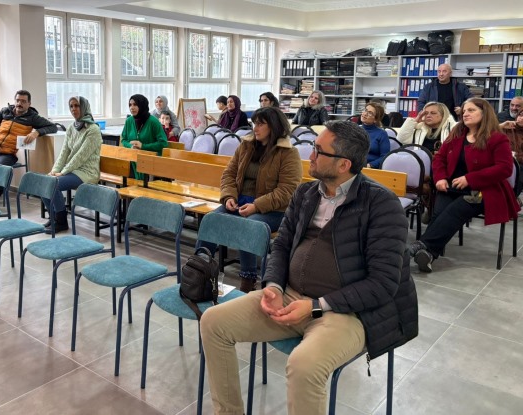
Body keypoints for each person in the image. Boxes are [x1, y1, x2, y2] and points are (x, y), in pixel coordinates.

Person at [200, 121, 418, 415]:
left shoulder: (381, 204)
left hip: (344, 313)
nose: (310, 156)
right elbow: (281, 246)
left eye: (318, 150)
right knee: (213, 322)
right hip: (290, 297)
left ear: (343, 164)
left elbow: (383, 284)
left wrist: (315, 306)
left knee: (303, 365)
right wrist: (273, 286)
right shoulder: (306, 193)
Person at [198, 106, 302, 293]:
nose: (255, 128)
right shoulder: (246, 145)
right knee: (211, 220)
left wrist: (256, 205)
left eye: (261, 124)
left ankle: (248, 279)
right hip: (240, 201)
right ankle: (199, 270)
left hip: (273, 209)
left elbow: (287, 190)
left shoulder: (288, 152)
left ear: (274, 126)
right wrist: (229, 196)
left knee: (249, 226)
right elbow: (229, 174)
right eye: (254, 123)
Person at [409, 98, 520, 273]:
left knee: (457, 209)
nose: (465, 114)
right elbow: (440, 158)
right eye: (464, 111)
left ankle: (421, 245)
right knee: (439, 212)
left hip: (483, 190)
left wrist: (470, 178)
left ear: (484, 113)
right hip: (452, 186)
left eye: (471, 110)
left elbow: (504, 168)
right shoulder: (457, 133)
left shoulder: (497, 138)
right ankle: (428, 254)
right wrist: (440, 178)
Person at [0, 90, 57, 205]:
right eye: (17, 100)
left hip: (7, 153)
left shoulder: (32, 117)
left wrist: (36, 132)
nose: (19, 103)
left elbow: (53, 127)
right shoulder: (5, 112)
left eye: (23, 101)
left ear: (29, 104)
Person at [43, 96, 102, 234]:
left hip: (87, 172)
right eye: (71, 106)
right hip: (72, 170)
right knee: (45, 181)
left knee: (53, 185)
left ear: (84, 107)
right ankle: (54, 218)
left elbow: (80, 156)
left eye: (77, 106)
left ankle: (61, 222)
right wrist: (54, 171)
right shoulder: (71, 128)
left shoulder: (93, 129)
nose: (74, 109)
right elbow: (64, 153)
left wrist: (63, 172)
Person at [120, 94, 168, 179]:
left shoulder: (153, 122)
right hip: (133, 160)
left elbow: (163, 143)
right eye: (130, 105)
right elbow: (123, 140)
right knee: (124, 173)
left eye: (135, 104)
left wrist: (143, 146)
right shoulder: (129, 121)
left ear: (142, 105)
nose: (132, 107)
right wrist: (130, 146)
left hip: (151, 162)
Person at [361, 102, 389, 168]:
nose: (365, 114)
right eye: (365, 110)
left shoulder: (382, 134)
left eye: (370, 113)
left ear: (376, 120)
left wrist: (370, 165)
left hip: (371, 167)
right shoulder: (355, 130)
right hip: (353, 166)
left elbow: (385, 156)